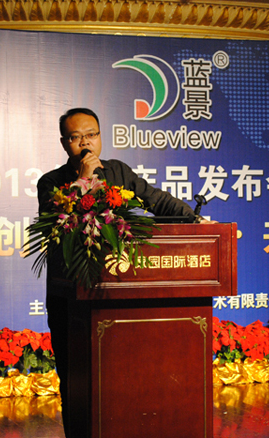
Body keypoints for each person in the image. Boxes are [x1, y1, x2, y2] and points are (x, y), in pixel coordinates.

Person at [37, 107, 212, 437]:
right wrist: (83, 180)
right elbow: (56, 221)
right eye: (76, 137)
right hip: (72, 303)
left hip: (118, 298)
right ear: (64, 143)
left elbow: (155, 200)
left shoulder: (118, 172)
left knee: (125, 379)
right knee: (77, 381)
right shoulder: (51, 182)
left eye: (91, 135)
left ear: (100, 137)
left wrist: (196, 220)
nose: (85, 143)